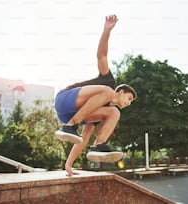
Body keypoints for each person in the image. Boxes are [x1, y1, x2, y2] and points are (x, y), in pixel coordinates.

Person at [54, 15, 137, 176]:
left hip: (70, 115)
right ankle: (70, 126)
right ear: (121, 92)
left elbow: (82, 138)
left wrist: (69, 165)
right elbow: (102, 56)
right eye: (129, 98)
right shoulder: (109, 82)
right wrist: (107, 30)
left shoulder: (102, 112)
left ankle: (98, 145)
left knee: (114, 112)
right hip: (64, 100)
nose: (129, 103)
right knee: (107, 91)